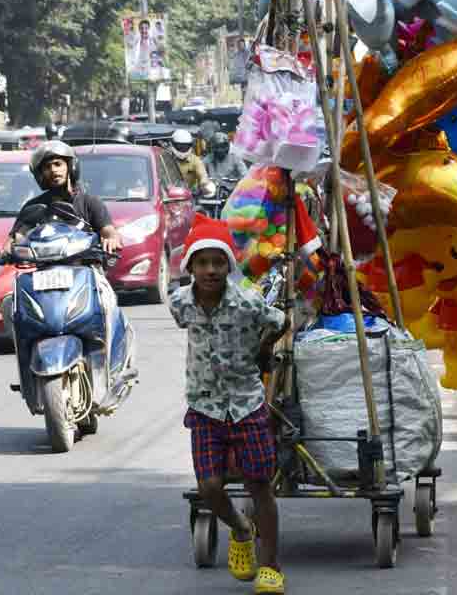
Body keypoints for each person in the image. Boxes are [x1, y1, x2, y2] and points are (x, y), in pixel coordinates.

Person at [170, 214, 287, 593]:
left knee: (259, 486)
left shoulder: (247, 302)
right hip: (204, 408)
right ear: (190, 267)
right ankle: (240, 529)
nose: (211, 270)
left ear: (229, 266)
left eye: (218, 262)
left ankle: (270, 566)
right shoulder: (181, 304)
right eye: (202, 263)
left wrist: (263, 349)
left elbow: (281, 319)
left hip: (247, 405)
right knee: (209, 487)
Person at [2, 141, 124, 357]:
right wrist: (6, 250)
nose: (53, 170)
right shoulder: (33, 208)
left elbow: (108, 231)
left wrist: (111, 240)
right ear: (40, 175)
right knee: (10, 305)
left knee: (108, 303)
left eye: (58, 164)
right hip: (43, 278)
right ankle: (27, 357)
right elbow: (16, 237)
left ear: (71, 167)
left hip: (85, 273)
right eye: (47, 167)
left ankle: (111, 357)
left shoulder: (89, 202)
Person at [170, 129, 216, 196]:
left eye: (185, 146)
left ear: (190, 146)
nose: (183, 149)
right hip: (168, 196)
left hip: (190, 195)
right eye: (180, 146)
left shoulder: (195, 161)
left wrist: (204, 184)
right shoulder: (166, 157)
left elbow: (203, 175)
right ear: (173, 145)